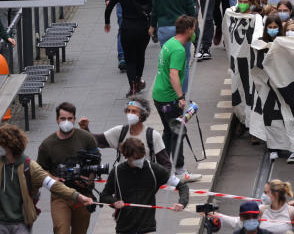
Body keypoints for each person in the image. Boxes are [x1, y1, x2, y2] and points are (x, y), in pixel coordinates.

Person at [0, 123, 94, 231]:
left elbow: (54, 185)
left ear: (10, 146)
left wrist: (79, 197)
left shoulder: (29, 167)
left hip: (21, 223)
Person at [100, 137, 189, 233]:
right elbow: (104, 196)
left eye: (141, 157)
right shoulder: (117, 172)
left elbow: (182, 186)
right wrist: (114, 202)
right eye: (136, 159)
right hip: (124, 228)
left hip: (147, 228)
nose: (140, 161)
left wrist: (182, 202)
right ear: (127, 156)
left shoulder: (154, 169)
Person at [36, 102, 99, 234]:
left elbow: (96, 163)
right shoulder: (47, 145)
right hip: (60, 195)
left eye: (70, 118)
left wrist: (89, 179)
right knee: (61, 229)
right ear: (57, 120)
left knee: (80, 231)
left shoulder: (86, 138)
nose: (66, 122)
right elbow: (39, 170)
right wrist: (53, 178)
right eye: (63, 119)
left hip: (83, 193)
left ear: (74, 119)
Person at [150, 14, 195, 178]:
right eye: (194, 29)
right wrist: (181, 97)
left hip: (158, 95)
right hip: (169, 98)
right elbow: (173, 75)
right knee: (177, 132)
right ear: (189, 30)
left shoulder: (169, 43)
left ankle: (160, 166)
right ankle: (179, 170)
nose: (195, 32)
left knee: (168, 132)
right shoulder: (179, 50)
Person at [78, 96, 171, 172]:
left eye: (134, 111)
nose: (130, 114)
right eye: (128, 111)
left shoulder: (153, 136)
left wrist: (156, 182)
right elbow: (97, 141)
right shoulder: (120, 132)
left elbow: (165, 164)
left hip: (145, 184)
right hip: (123, 181)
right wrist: (85, 129)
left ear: (142, 114)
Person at [104, 0, 154, 97]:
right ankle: (138, 80)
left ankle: (132, 86)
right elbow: (152, 7)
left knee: (129, 59)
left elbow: (109, 7)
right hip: (142, 29)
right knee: (140, 55)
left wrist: (107, 22)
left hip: (126, 28)